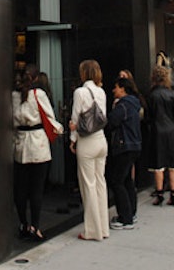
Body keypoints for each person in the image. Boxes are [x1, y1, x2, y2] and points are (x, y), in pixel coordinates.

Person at [12, 64, 63, 241]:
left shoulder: (13, 96)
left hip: (20, 143)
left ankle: (23, 223)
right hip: (38, 143)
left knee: (20, 188)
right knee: (37, 188)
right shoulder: (38, 94)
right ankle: (35, 225)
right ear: (35, 78)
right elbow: (49, 116)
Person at [69, 59, 109, 241]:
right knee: (100, 183)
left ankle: (93, 231)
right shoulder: (101, 92)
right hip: (101, 139)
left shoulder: (80, 92)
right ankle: (103, 228)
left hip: (87, 141)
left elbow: (75, 119)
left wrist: (72, 138)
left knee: (88, 185)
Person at [147, 65, 174, 207]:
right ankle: (173, 193)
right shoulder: (173, 94)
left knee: (159, 165)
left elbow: (149, 116)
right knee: (173, 165)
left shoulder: (151, 95)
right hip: (172, 130)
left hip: (158, 131)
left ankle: (160, 193)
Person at [107, 78, 142, 230]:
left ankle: (125, 217)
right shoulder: (134, 103)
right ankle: (131, 213)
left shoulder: (123, 105)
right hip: (134, 145)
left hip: (124, 146)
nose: (114, 90)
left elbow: (111, 122)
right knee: (127, 180)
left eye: (116, 87)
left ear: (122, 88)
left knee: (117, 181)